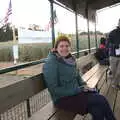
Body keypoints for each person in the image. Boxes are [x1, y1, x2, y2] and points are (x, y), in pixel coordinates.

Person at [43, 36, 116, 120]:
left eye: (67, 46)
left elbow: (77, 76)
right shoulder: (51, 63)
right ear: (56, 48)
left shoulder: (69, 59)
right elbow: (54, 90)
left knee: (97, 110)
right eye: (61, 46)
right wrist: (79, 89)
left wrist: (84, 85)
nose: (65, 48)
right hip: (62, 99)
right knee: (101, 99)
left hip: (75, 93)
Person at [108, 19, 120, 89]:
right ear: (118, 23)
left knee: (119, 72)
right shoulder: (112, 32)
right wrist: (116, 45)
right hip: (113, 56)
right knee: (114, 71)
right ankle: (114, 84)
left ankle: (115, 84)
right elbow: (108, 44)